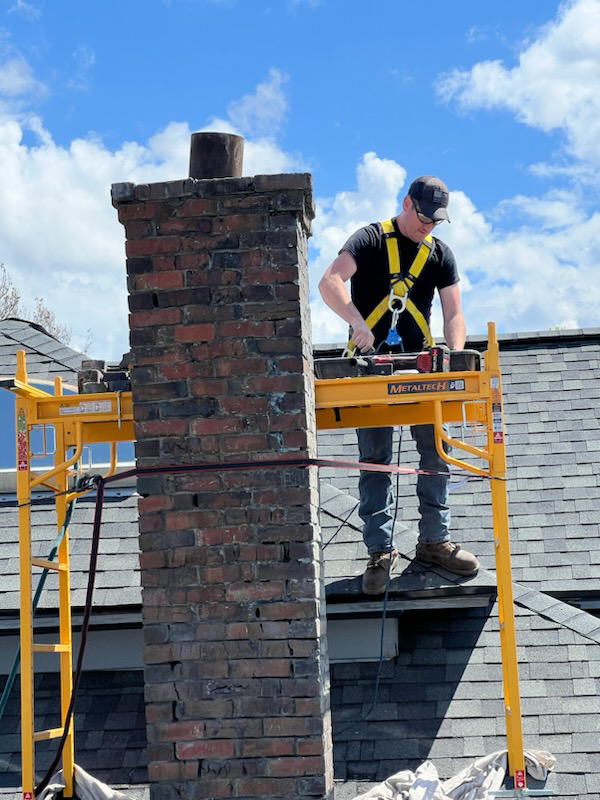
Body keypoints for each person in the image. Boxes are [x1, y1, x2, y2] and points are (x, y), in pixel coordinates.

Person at [318, 176, 479, 595]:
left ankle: (434, 542)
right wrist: (356, 323)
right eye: (424, 218)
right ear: (407, 203)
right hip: (371, 371)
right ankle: (379, 552)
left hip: (422, 372)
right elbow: (330, 282)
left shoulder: (440, 254)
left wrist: (454, 355)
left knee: (435, 455)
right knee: (376, 462)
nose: (429, 227)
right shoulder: (370, 240)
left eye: (436, 222)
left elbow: (454, 312)